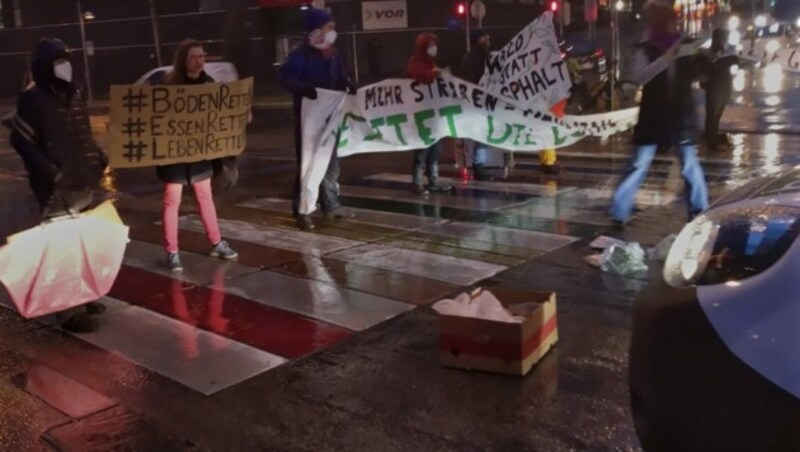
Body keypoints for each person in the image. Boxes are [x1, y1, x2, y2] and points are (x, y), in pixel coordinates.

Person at [6, 38, 108, 332]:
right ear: (43, 67)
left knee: (83, 245)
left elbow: (83, 132)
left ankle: (87, 297)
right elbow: (20, 140)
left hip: (83, 179)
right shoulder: (32, 99)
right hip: (55, 186)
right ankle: (68, 312)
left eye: (66, 59)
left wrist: (97, 158)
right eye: (58, 60)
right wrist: (50, 173)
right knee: (62, 249)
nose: (65, 66)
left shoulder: (75, 92)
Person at [609, 1, 709, 228]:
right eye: (670, 22)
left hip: (681, 113)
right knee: (639, 163)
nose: (675, 26)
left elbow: (700, 76)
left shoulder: (685, 44)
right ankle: (619, 212)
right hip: (653, 115)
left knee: (689, 164)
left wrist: (699, 57)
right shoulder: (645, 47)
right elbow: (641, 77)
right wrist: (667, 58)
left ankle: (699, 210)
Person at [157, 39, 238, 272]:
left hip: (200, 152)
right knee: (172, 201)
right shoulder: (169, 85)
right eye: (194, 57)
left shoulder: (209, 83)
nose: (199, 61)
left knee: (205, 197)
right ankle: (172, 252)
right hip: (174, 154)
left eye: (202, 56)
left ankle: (216, 241)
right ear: (183, 60)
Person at [279, 8, 355, 230]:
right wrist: (304, 89)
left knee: (331, 164)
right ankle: (302, 210)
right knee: (309, 164)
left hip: (331, 116)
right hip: (309, 119)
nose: (333, 31)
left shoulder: (332, 54)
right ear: (317, 30)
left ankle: (330, 205)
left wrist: (348, 84)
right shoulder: (300, 55)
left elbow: (340, 77)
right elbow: (285, 77)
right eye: (329, 27)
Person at [406, 33, 452, 195]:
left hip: (434, 115)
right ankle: (417, 182)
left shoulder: (430, 63)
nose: (434, 48)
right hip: (421, 115)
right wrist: (435, 74)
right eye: (430, 45)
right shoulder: (416, 63)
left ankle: (433, 181)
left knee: (436, 149)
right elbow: (419, 77)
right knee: (422, 149)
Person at [459, 29, 494, 181]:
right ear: (477, 40)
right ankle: (478, 167)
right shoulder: (475, 58)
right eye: (484, 37)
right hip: (478, 102)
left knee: (483, 134)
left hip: (481, 101)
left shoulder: (483, 56)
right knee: (482, 134)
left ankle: (478, 165)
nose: (487, 39)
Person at [703, 27, 737, 151]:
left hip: (714, 88)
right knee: (714, 117)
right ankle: (712, 143)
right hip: (719, 88)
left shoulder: (713, 52)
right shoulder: (720, 53)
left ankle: (711, 140)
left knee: (712, 116)